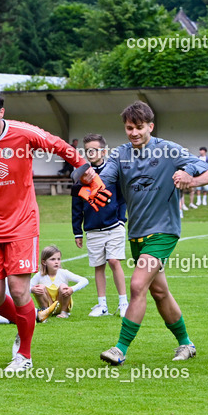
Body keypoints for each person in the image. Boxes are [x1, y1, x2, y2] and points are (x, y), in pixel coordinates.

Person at [0, 90, 108, 371]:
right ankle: (26, 320)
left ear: (1, 112)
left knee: (19, 290)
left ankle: (24, 355)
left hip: (22, 225)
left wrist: (87, 171)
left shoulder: (23, 133)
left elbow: (60, 146)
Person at [97, 102, 208, 365]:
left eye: (139, 127)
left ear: (150, 126)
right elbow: (107, 178)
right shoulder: (120, 154)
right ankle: (186, 344)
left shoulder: (169, 149)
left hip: (163, 231)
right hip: (136, 234)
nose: (134, 132)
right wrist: (92, 180)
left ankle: (120, 349)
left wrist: (187, 172)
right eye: (129, 128)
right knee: (159, 293)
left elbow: (197, 164)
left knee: (137, 286)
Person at [71, 133, 128, 318]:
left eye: (94, 150)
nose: (90, 153)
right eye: (87, 150)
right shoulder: (81, 174)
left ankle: (123, 303)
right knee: (99, 266)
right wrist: (77, 231)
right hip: (93, 229)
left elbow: (122, 198)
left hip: (114, 226)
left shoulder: (113, 171)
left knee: (114, 261)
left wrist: (121, 219)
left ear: (103, 151)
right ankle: (102, 305)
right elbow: (76, 205)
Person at [29, 245, 89, 320]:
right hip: (48, 305)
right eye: (53, 259)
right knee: (40, 287)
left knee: (63, 286)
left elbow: (85, 281)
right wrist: (32, 290)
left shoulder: (63, 273)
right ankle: (45, 311)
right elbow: (25, 288)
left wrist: (72, 289)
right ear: (44, 262)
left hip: (61, 304)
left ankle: (64, 312)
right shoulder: (39, 275)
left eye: (58, 259)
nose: (56, 262)